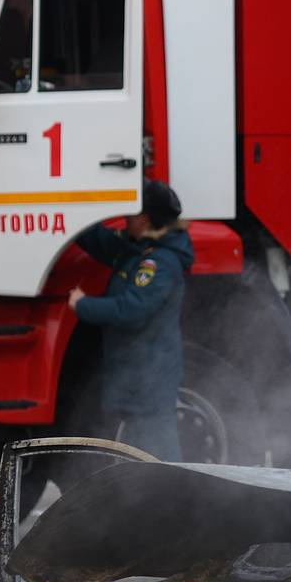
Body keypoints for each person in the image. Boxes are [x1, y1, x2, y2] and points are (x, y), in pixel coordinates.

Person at [68, 180, 194, 462]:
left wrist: (83, 305)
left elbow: (132, 310)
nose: (125, 220)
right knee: (139, 456)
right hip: (139, 376)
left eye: (130, 214)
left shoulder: (159, 263)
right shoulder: (141, 248)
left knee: (159, 457)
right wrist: (71, 216)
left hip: (149, 380)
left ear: (144, 220)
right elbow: (103, 243)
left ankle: (178, 502)